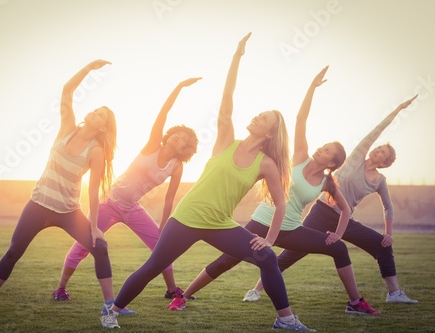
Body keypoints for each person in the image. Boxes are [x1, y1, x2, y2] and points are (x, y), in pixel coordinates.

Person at [100, 33, 315, 331]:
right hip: (187, 217)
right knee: (153, 266)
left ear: (270, 134)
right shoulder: (227, 139)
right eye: (259, 114)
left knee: (267, 257)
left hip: (219, 224)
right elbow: (227, 100)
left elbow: (281, 203)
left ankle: (285, 319)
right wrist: (237, 58)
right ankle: (112, 311)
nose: (257, 117)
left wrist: (270, 237)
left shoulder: (265, 164)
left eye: (264, 118)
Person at [173, 66, 380, 315]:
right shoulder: (300, 157)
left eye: (327, 151)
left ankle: (355, 302)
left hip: (291, 229)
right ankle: (183, 296)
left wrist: (338, 234)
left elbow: (345, 210)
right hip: (263, 222)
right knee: (227, 260)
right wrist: (312, 88)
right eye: (323, 146)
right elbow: (300, 119)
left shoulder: (327, 183)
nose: (321, 149)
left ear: (333, 163)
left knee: (339, 248)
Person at [0, 59, 117, 312]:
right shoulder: (67, 128)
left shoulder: (96, 152)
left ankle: (110, 305)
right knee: (14, 250)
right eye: (95, 109)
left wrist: (93, 228)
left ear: (103, 127)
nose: (94, 112)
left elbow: (92, 191)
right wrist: (88, 69)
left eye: (101, 115)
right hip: (39, 204)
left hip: (69, 211)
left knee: (100, 248)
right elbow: (67, 92)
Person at [52, 77, 201, 315]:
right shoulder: (153, 144)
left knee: (161, 246)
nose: (179, 138)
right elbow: (163, 113)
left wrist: (163, 225)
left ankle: (171, 289)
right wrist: (179, 88)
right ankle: (60, 288)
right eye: (178, 134)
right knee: (84, 245)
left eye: (185, 139)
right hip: (108, 202)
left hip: (132, 208)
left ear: (187, 148)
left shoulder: (176, 167)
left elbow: (170, 199)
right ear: (169, 135)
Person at [276, 94, 419, 304]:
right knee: (296, 251)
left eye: (383, 153)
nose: (377, 150)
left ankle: (394, 293)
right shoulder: (357, 157)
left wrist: (388, 233)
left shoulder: (379, 180)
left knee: (383, 246)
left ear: (385, 162)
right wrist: (397, 110)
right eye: (378, 148)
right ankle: (258, 287)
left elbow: (388, 208)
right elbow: (376, 131)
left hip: (345, 219)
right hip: (322, 212)